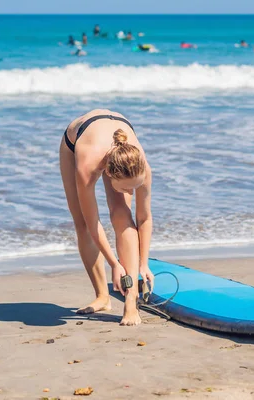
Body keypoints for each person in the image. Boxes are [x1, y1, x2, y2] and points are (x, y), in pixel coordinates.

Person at [59, 110, 154, 326]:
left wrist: (144, 264)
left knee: (122, 215)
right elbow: (93, 223)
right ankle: (102, 296)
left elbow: (145, 219)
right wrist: (114, 263)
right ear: (109, 175)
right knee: (82, 222)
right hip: (75, 142)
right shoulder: (87, 167)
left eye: (135, 187)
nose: (131, 192)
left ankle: (131, 300)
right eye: (126, 188)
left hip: (118, 131)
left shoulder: (143, 169)